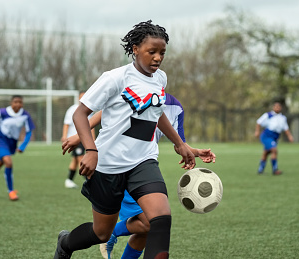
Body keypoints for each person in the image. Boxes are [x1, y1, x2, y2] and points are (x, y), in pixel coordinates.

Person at [53, 20, 202, 259]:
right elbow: (80, 113)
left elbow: (157, 112)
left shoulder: (160, 78)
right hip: (108, 165)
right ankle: (66, 243)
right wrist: (90, 150)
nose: (157, 58)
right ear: (134, 49)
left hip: (143, 161)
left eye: (162, 53)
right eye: (151, 52)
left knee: (160, 219)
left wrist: (179, 143)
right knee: (101, 233)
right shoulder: (115, 78)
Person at [63, 93, 216, 259]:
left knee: (150, 226)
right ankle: (106, 234)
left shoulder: (176, 108)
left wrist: (195, 152)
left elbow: (179, 143)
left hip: (142, 168)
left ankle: (110, 234)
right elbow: (104, 111)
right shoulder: (139, 92)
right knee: (145, 224)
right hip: (117, 164)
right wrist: (79, 136)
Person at [61, 92, 96, 189]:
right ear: (78, 98)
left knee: (75, 160)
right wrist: (64, 136)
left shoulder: (89, 109)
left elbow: (90, 125)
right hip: (75, 138)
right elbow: (66, 124)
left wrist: (93, 139)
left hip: (85, 138)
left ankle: (69, 180)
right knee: (81, 158)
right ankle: (89, 181)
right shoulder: (72, 109)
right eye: (81, 97)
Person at [254, 101, 294, 175]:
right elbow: (258, 122)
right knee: (274, 150)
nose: (277, 108)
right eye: (276, 107)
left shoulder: (282, 118)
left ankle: (260, 170)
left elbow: (286, 128)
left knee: (266, 153)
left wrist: (290, 136)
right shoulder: (268, 115)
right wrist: (257, 131)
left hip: (275, 136)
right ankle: (275, 170)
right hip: (267, 135)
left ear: (281, 108)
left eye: (279, 107)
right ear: (273, 107)